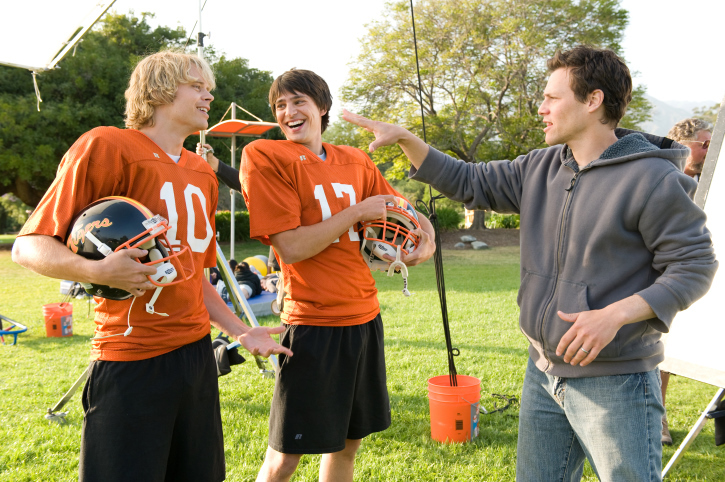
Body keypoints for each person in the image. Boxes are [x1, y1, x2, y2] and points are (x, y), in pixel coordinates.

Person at [343, 46, 717, 481]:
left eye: (552, 98)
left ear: (593, 101)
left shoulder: (653, 179)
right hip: (542, 372)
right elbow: (469, 180)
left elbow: (693, 265)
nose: (541, 108)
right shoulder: (540, 166)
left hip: (617, 381)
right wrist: (408, 139)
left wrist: (614, 316)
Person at [12, 49, 291, 482]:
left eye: (210, 89)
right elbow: (28, 246)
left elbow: (192, 274)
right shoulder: (107, 145)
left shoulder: (201, 171)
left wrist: (240, 330)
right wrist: (94, 271)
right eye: (197, 87)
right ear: (159, 90)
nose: (208, 97)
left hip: (196, 358)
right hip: (131, 359)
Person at [239, 69, 436, 482]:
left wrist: (428, 239)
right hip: (312, 323)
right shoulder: (266, 155)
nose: (288, 112)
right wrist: (357, 213)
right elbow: (290, 246)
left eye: (298, 102)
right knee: (285, 455)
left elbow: (402, 207)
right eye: (280, 105)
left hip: (364, 318)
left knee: (348, 445)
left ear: (321, 107)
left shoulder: (355, 158)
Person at [658, 117, 714, 445]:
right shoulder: (663, 178)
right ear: (682, 143)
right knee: (662, 351)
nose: (709, 150)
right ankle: (658, 417)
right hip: (663, 280)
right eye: (704, 143)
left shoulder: (710, 184)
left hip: (698, 281)